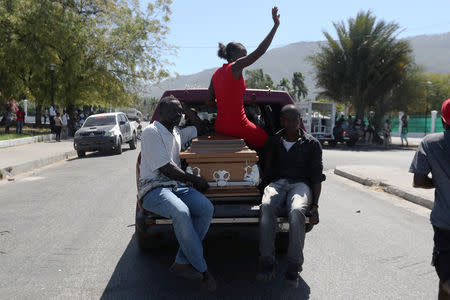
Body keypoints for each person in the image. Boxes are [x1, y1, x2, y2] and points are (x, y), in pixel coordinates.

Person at [138, 96, 216, 291]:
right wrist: (195, 179)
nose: (179, 114)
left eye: (180, 111)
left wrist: (188, 109)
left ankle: (181, 261)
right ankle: (203, 270)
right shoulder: (151, 132)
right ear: (161, 112)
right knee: (181, 212)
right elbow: (166, 168)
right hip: (153, 188)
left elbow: (201, 128)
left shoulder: (177, 132)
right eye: (175, 110)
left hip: (176, 186)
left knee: (206, 208)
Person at [257, 104, 325, 287]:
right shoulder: (274, 141)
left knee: (296, 212)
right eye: (289, 119)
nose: (294, 123)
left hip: (300, 185)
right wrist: (262, 188)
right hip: (277, 183)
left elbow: (317, 177)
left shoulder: (312, 144)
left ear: (300, 120)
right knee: (267, 206)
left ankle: (294, 266)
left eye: (297, 119)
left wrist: (315, 206)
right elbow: (268, 170)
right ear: (282, 120)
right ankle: (267, 262)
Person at [205, 7, 280, 149]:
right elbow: (260, 51)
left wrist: (226, 106)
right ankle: (266, 171)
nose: (246, 58)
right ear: (233, 56)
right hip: (238, 124)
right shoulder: (236, 66)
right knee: (270, 143)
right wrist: (275, 26)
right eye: (244, 55)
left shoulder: (216, 74)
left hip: (220, 126)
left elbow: (208, 103)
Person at [409, 99, 450, 300]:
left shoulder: (430, 143)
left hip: (445, 223)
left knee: (446, 279)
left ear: (443, 121)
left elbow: (418, 180)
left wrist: (438, 182)